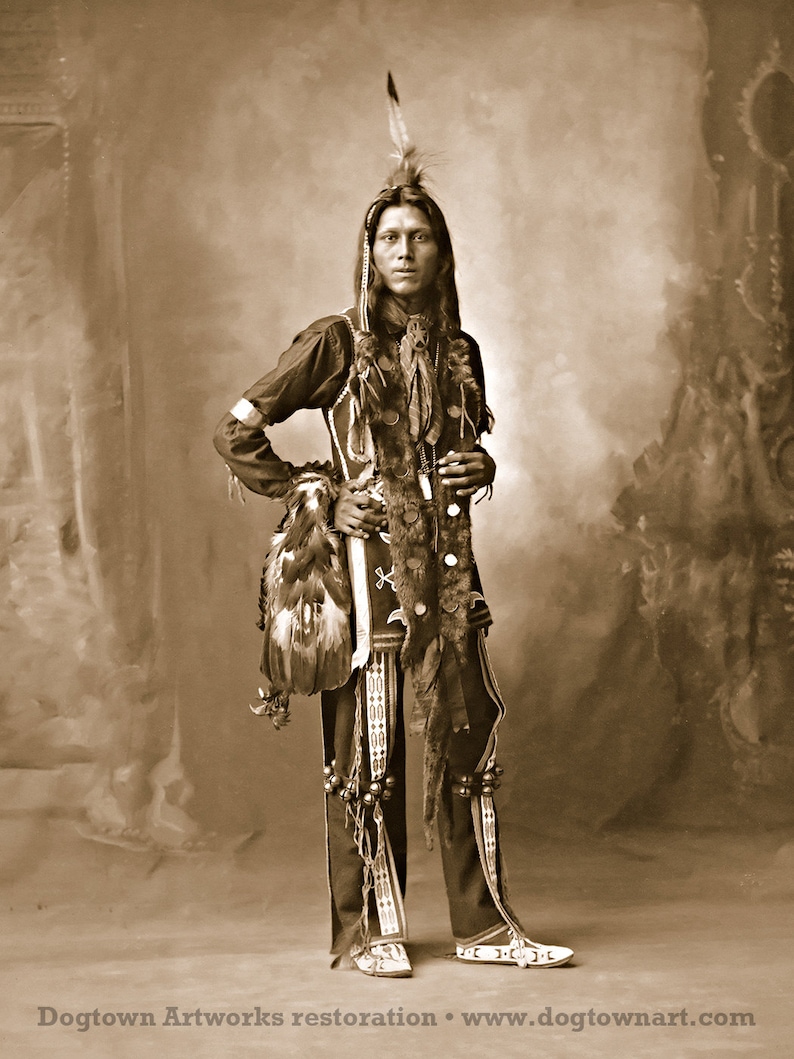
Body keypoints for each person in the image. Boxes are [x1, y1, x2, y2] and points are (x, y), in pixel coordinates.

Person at [214, 79, 573, 978]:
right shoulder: (336, 343)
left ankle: (485, 925)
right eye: (389, 238)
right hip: (370, 576)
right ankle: (367, 928)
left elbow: (458, 449)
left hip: (451, 578)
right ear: (368, 253)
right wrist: (317, 493)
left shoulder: (460, 352)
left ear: (443, 252)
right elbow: (236, 428)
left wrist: (480, 466)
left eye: (420, 236)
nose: (404, 249)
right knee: (367, 748)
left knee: (468, 734)